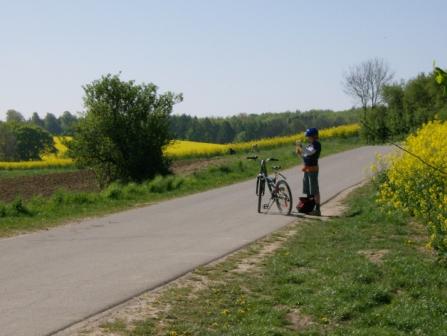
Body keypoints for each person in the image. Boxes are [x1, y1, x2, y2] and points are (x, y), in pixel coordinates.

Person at [296, 128, 321, 216]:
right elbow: (304, 157)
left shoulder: (316, 144)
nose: (307, 138)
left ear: (313, 136)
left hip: (313, 169)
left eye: (308, 136)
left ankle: (317, 209)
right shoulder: (310, 145)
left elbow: (309, 153)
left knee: (314, 189)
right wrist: (299, 153)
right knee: (308, 189)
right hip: (307, 169)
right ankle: (310, 207)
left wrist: (301, 147)